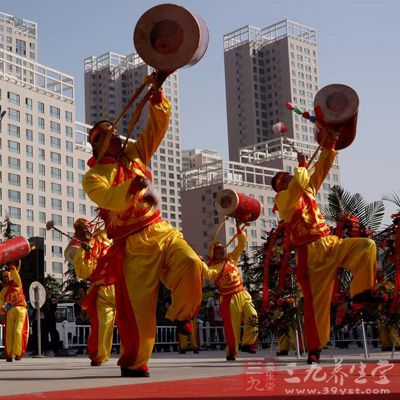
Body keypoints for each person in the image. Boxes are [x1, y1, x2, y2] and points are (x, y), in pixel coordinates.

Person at [82, 72, 203, 377]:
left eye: (114, 132)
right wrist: (131, 188)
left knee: (191, 263)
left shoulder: (136, 154)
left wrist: (158, 96)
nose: (115, 136)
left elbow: (156, 128)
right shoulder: (94, 177)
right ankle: (135, 363)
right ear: (96, 147)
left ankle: (181, 314)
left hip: (160, 229)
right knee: (139, 312)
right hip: (132, 245)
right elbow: (109, 198)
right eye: (103, 136)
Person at [271, 126, 378, 364]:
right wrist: (300, 167)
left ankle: (361, 292)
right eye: (284, 178)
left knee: (366, 246)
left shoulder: (306, 188)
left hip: (328, 242)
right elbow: (298, 184)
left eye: (289, 176)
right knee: (316, 305)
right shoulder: (283, 200)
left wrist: (329, 144)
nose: (289, 178)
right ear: (280, 187)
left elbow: (320, 169)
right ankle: (314, 348)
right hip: (310, 255)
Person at [202, 223, 258, 361]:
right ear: (213, 253)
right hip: (229, 299)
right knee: (232, 329)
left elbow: (241, 245)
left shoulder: (231, 259)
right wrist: (200, 262)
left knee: (253, 315)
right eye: (218, 249)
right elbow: (208, 274)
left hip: (242, 293)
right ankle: (232, 352)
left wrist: (239, 230)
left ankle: (248, 344)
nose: (222, 251)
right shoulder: (214, 268)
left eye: (222, 248)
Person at [71, 218, 116, 367]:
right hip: (103, 290)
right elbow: (83, 272)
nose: (84, 231)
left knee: (132, 321)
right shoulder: (82, 250)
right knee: (103, 324)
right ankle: (99, 355)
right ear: (77, 236)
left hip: (123, 285)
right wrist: (84, 252)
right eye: (80, 231)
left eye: (86, 228)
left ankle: (136, 356)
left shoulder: (104, 236)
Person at [0, 262, 29, 362]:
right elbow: (1, 302)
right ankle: (8, 354)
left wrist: (12, 267)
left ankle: (18, 354)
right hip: (9, 312)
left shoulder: (17, 283)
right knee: (8, 333)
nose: (6, 279)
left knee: (18, 332)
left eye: (7, 276)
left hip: (21, 311)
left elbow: (16, 275)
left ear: (11, 276)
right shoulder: (4, 290)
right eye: (4, 277)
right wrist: (2, 308)